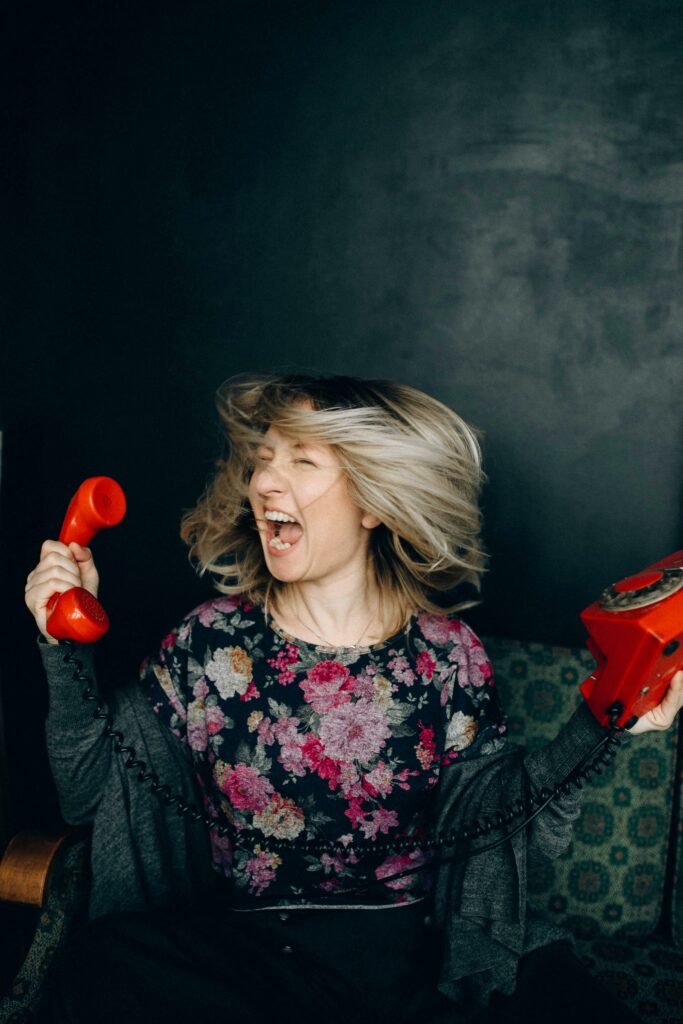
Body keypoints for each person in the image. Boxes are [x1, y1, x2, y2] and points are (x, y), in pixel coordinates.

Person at [25, 374, 683, 1024]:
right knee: (97, 964)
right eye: (262, 461)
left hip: (409, 956)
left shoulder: (446, 654)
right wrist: (61, 644)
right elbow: (87, 793)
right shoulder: (206, 641)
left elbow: (511, 834)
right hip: (251, 957)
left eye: (302, 461)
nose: (263, 483)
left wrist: (604, 722)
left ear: (372, 502)